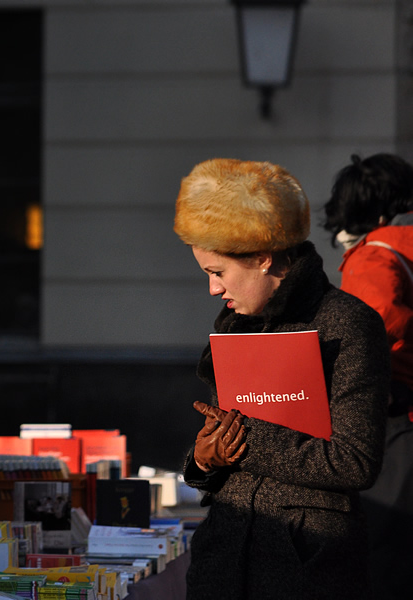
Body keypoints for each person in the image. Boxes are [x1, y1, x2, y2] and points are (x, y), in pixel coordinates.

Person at [173, 158, 390, 599]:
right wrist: (203, 461)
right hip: (222, 563)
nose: (213, 289)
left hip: (306, 567)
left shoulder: (348, 323)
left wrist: (243, 438)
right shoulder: (234, 324)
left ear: (262, 258)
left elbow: (355, 460)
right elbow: (224, 445)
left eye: (218, 273)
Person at [322, 152, 413, 600]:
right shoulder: (404, 248)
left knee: (385, 559)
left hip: (397, 420)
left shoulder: (375, 257)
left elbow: (370, 335)